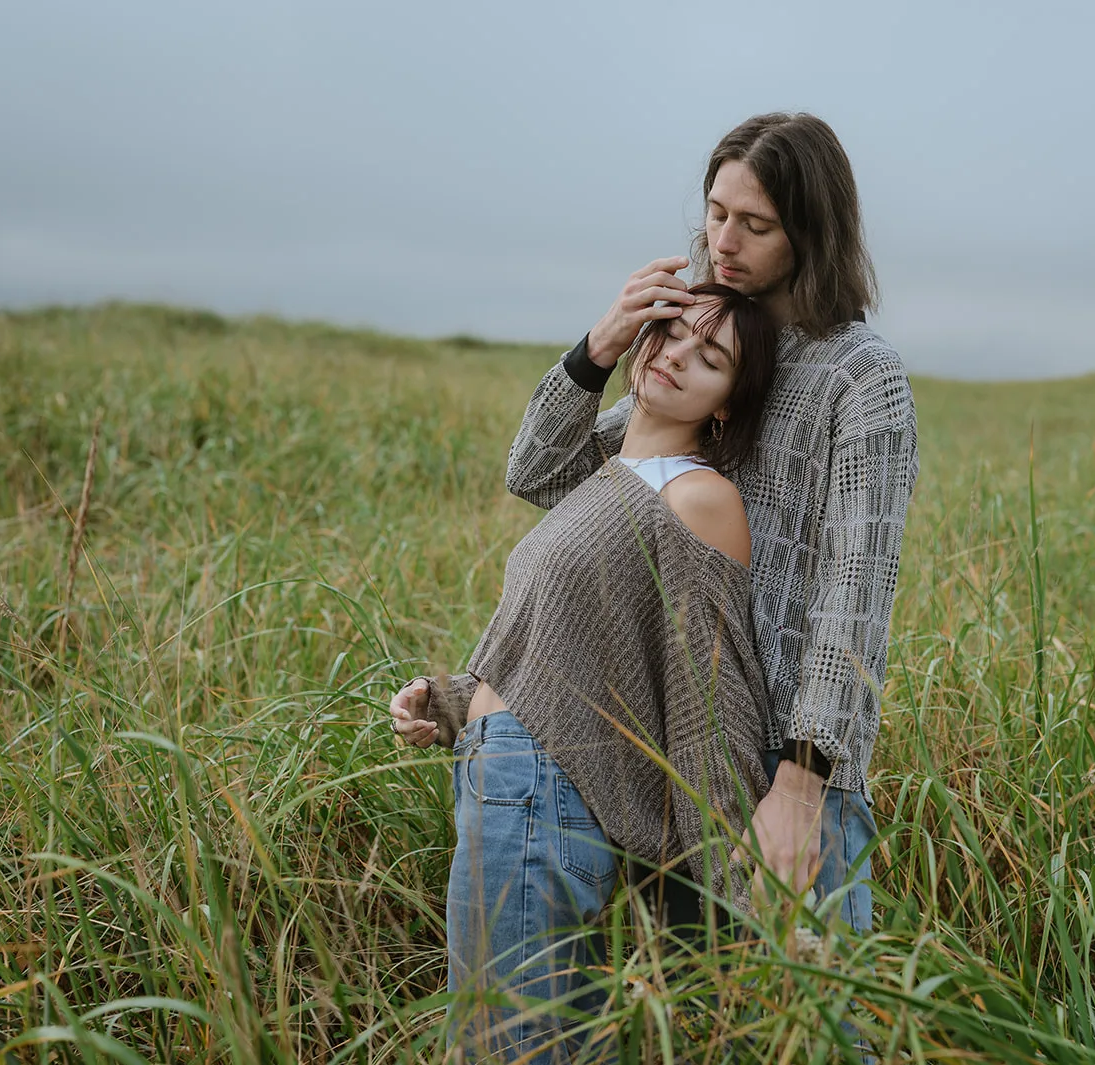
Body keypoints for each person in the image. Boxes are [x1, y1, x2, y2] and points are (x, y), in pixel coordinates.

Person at [504, 112, 918, 940]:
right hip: (680, 750)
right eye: (716, 212)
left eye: (755, 224)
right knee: (700, 1013)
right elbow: (542, 476)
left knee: (815, 1016)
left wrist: (801, 787)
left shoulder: (859, 375)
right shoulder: (708, 343)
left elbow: (856, 591)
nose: (724, 240)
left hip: (793, 760)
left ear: (810, 233)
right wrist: (598, 348)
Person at [391, 283, 779, 1060]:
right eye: (671, 333)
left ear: (727, 405)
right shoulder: (602, 474)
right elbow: (578, 654)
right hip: (500, 780)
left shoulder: (698, 496)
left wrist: (747, 880)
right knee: (505, 1039)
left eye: (710, 359)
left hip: (541, 797)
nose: (675, 356)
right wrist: (456, 702)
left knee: (502, 1046)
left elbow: (710, 697)